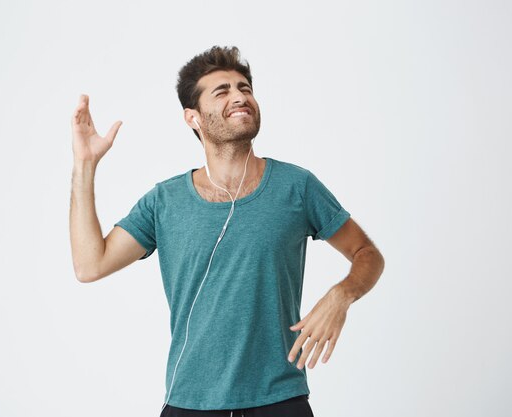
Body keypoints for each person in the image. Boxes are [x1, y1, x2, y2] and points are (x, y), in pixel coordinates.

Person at [69, 46, 385, 417]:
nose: (240, 97)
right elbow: (90, 265)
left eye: (245, 88)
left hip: (279, 401)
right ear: (193, 118)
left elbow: (367, 254)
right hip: (189, 404)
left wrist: (341, 295)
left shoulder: (296, 187)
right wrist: (85, 164)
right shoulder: (164, 201)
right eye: (222, 92)